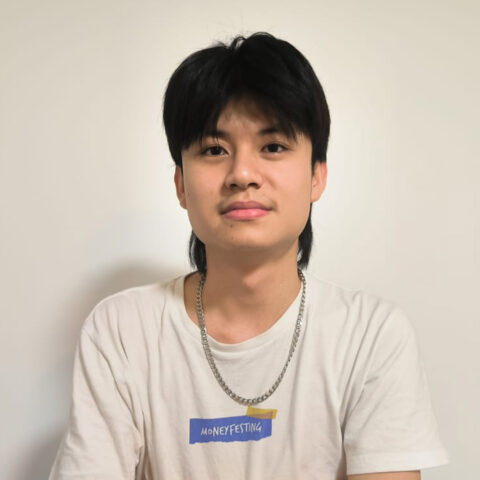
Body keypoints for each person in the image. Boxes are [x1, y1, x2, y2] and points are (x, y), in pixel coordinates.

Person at [48, 32, 449, 480]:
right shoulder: (123, 331)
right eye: (214, 150)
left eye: (272, 146)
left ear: (317, 175)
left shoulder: (370, 336)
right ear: (181, 185)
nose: (241, 174)